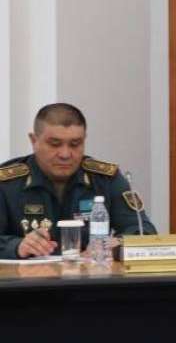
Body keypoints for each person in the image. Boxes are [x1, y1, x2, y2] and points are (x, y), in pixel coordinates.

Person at [0, 103, 156, 259]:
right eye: (54, 144)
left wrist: (117, 245)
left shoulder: (105, 179)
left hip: (89, 273)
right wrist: (17, 246)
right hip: (27, 274)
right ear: (34, 140)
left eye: (75, 144)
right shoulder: (6, 183)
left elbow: (144, 232)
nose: (65, 154)